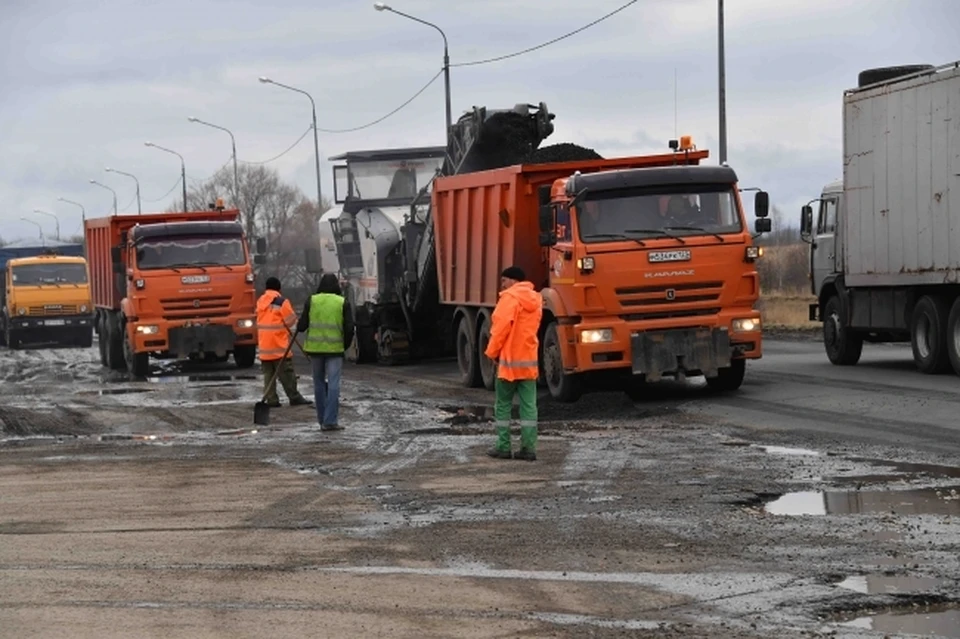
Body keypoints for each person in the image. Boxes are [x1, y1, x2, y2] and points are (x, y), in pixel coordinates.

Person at [483, 266, 543, 461]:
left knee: (503, 405)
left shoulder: (509, 299)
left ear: (512, 281)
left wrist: (492, 352)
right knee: (529, 407)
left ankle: (503, 446)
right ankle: (528, 449)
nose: (502, 285)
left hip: (509, 363)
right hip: (528, 362)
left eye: (503, 281)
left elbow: (500, 329)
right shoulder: (536, 300)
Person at [297, 273, 354, 431]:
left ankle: (322, 420)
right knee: (334, 384)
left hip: (315, 350)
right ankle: (330, 421)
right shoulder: (342, 302)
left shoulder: (312, 300)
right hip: (335, 350)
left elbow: (302, 325)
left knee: (319, 384)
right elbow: (349, 327)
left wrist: (299, 326)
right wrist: (345, 345)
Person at [256, 277, 312, 408]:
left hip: (264, 346)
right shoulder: (281, 302)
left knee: (268, 375)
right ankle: (294, 397)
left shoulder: (260, 301)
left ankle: (271, 400)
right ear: (279, 288)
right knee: (287, 374)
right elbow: (291, 320)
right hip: (278, 346)